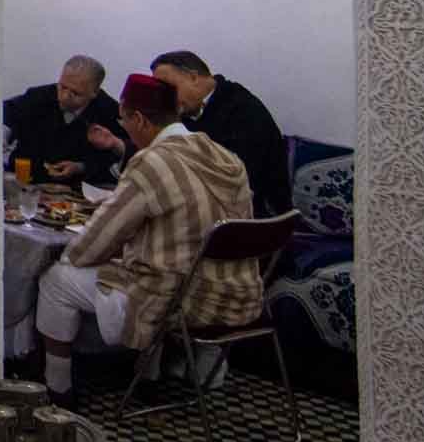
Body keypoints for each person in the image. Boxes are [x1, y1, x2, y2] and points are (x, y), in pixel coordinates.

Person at [35, 74, 262, 407]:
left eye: (124, 120)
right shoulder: (225, 157)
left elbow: (89, 248)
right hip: (236, 294)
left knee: (57, 278)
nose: (124, 128)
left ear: (139, 119)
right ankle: (156, 373)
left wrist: (88, 244)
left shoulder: (151, 163)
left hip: (178, 301)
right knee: (155, 256)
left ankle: (57, 390)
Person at [138, 50, 292, 217]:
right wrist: (118, 145)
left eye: (168, 88)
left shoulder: (243, 109)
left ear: (193, 77)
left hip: (251, 217)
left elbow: (237, 181)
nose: (165, 98)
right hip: (201, 205)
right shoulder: (185, 110)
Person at [2, 55, 130, 185]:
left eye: (75, 93)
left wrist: (81, 167)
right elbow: (5, 114)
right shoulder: (37, 96)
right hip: (26, 182)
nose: (64, 97)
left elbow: (117, 157)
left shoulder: (109, 111)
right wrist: (1, 137)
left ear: (94, 92)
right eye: (62, 87)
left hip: (77, 190)